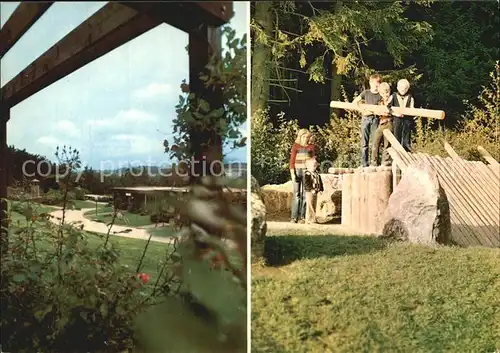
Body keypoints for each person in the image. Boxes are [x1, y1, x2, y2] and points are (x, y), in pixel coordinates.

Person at [352, 73, 383, 167]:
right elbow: (354, 102)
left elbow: (381, 108)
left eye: (378, 84)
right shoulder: (366, 93)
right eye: (374, 84)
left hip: (375, 119)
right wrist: (363, 110)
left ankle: (374, 163)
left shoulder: (380, 95)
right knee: (364, 142)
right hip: (365, 119)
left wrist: (373, 111)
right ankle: (364, 163)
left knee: (375, 142)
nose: (376, 86)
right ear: (370, 83)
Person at [289, 129, 315, 223]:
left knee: (305, 195)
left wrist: (313, 167)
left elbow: (313, 159)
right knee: (296, 194)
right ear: (300, 137)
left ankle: (302, 217)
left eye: (307, 137)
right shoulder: (296, 146)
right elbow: (292, 161)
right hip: (297, 171)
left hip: (306, 172)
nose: (306, 139)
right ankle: (294, 217)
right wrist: (292, 173)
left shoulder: (311, 147)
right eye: (304, 137)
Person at [371, 82, 394, 166]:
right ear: (380, 93)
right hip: (381, 123)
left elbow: (390, 111)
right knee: (375, 142)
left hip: (389, 122)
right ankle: (373, 162)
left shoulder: (392, 100)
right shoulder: (379, 101)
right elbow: (376, 111)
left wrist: (387, 110)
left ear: (390, 91)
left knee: (387, 144)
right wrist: (378, 111)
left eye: (387, 92)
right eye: (383, 93)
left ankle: (385, 161)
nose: (385, 95)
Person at [391, 79, 415, 152]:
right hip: (396, 120)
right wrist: (395, 114)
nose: (403, 89)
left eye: (405, 88)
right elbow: (388, 108)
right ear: (397, 87)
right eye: (401, 87)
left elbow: (412, 109)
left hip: (407, 121)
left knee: (406, 140)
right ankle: (395, 157)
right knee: (396, 138)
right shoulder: (393, 96)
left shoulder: (411, 98)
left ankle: (406, 156)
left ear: (407, 89)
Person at [303, 157, 324, 224]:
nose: (314, 167)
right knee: (310, 205)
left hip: (316, 191)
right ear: (308, 166)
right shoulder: (307, 174)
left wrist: (321, 189)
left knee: (314, 205)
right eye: (313, 166)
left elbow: (320, 182)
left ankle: (313, 219)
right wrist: (310, 189)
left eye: (315, 165)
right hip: (310, 192)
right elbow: (306, 183)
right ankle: (309, 219)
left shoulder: (317, 173)